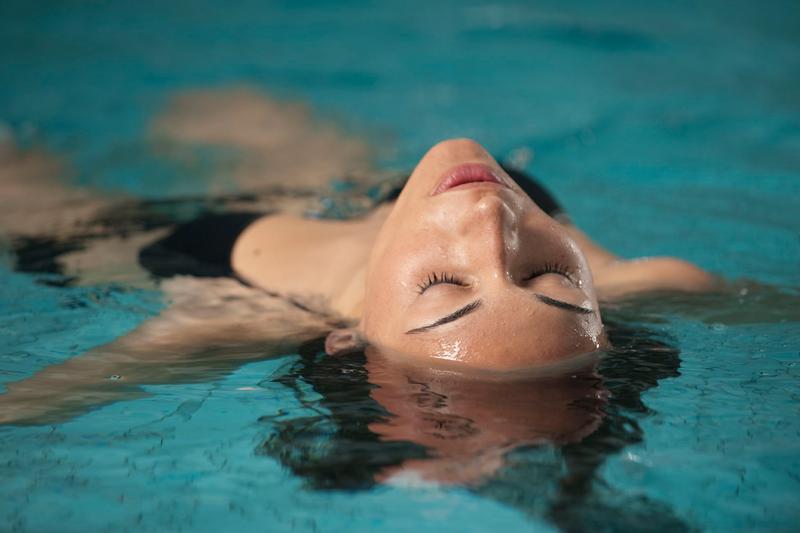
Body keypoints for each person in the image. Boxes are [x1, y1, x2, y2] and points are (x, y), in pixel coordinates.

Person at [0, 90, 715, 425]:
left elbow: (60, 391)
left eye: (442, 284)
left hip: (209, 244)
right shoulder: (639, 279)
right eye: (548, 274)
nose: (488, 218)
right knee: (226, 108)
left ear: (351, 335)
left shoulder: (245, 317)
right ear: (603, 309)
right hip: (364, 192)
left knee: (22, 187)